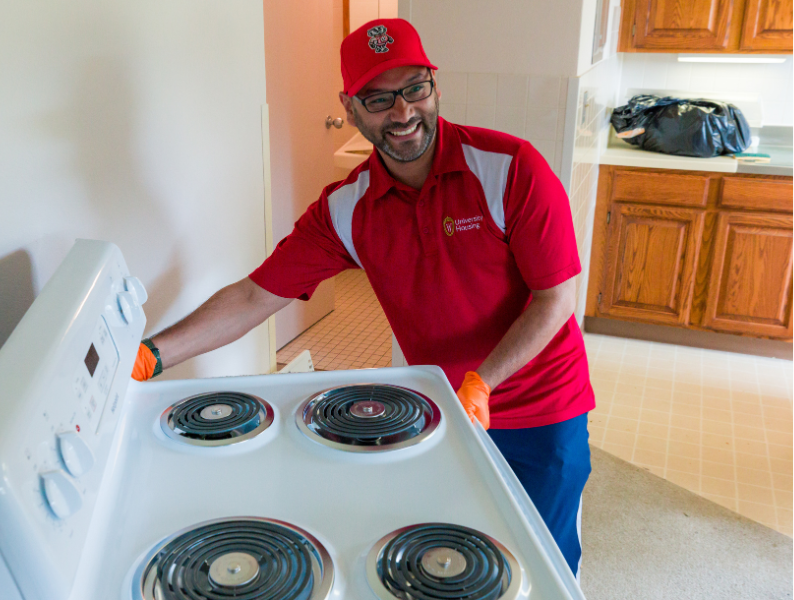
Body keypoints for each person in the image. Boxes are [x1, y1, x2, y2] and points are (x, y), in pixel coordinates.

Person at [131, 18, 595, 577]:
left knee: (544, 564)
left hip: (542, 410)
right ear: (349, 108)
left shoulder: (510, 169)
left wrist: (483, 383)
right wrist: (150, 355)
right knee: (453, 562)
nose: (402, 112)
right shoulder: (347, 208)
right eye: (378, 99)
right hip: (438, 413)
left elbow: (555, 298)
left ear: (435, 85)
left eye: (414, 88)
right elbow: (256, 295)